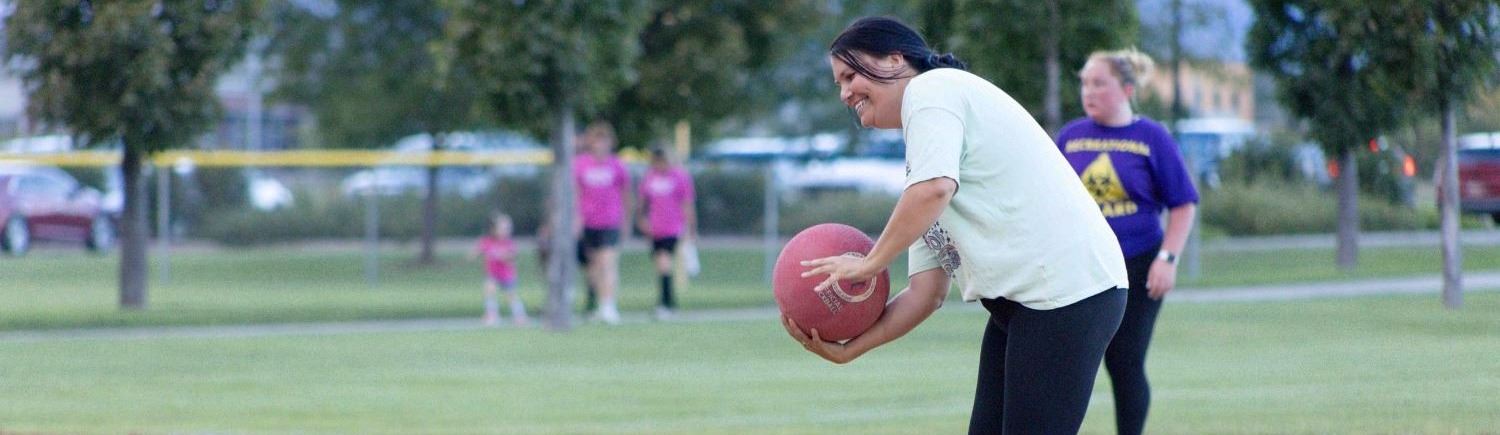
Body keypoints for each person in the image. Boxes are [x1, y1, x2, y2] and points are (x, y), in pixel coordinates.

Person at [784, 17, 1129, 434]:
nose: (844, 93)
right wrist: (850, 349)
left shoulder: (933, 90)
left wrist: (869, 264)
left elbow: (933, 191)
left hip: (1069, 292)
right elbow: (926, 293)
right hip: (1027, 306)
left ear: (895, 59)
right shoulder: (927, 154)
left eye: (851, 75)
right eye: (839, 83)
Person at [1055, 48, 1199, 435]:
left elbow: (1183, 204)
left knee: (1125, 361)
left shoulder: (1151, 137)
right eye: (1085, 82)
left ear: (1127, 89)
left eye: (1099, 83)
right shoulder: (1069, 138)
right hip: (1081, 268)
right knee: (1071, 361)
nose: (1089, 91)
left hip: (1138, 263)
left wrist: (1167, 258)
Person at [574, 121, 631, 325]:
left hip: (610, 221)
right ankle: (599, 303)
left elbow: (626, 196)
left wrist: (626, 222)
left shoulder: (617, 166)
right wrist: (576, 220)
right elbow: (576, 194)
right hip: (588, 222)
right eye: (596, 139)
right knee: (594, 267)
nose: (600, 144)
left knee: (608, 263)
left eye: (603, 139)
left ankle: (609, 305)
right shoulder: (580, 164)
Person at [636, 146, 697, 320]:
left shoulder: (679, 177)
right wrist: (641, 220)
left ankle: (665, 303)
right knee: (662, 265)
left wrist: (691, 228)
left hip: (673, 227)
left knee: (664, 262)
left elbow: (687, 205)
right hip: (655, 229)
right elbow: (642, 202)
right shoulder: (649, 178)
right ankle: (669, 302)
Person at [473, 212, 527, 327]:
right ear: (494, 229)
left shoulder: (509, 243)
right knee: (489, 289)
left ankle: (520, 316)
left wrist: (504, 256)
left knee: (511, 296)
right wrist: (475, 254)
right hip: (493, 274)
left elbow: (512, 258)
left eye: (507, 229)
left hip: (507, 275)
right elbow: (478, 250)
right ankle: (492, 315)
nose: (505, 231)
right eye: (502, 228)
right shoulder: (488, 241)